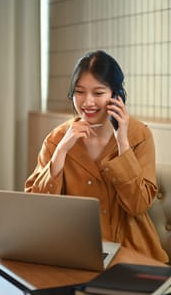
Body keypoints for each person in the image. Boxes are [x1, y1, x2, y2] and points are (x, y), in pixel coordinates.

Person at [25, 50, 168, 263]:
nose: (87, 102)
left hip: (131, 254)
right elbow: (35, 207)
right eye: (79, 92)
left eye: (98, 93)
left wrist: (122, 143)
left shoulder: (139, 135)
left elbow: (138, 205)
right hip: (74, 252)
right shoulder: (57, 139)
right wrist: (61, 151)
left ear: (116, 95)